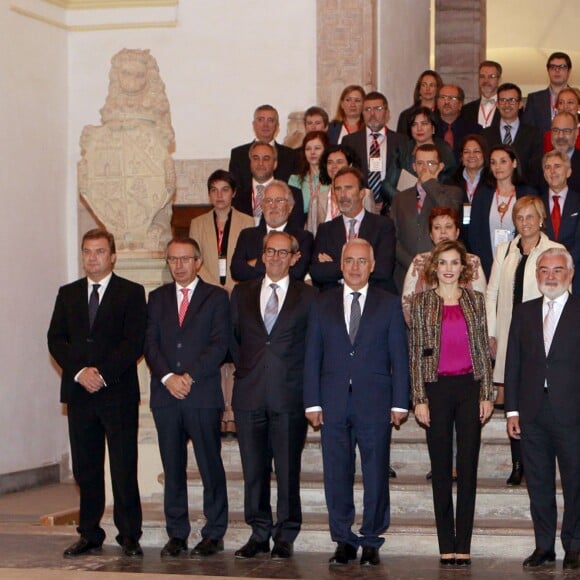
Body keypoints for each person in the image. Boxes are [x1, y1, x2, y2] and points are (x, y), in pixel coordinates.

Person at [304, 238, 409, 567]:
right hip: (332, 401)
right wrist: (312, 402)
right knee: (336, 473)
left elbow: (399, 357)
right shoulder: (322, 303)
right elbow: (312, 356)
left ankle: (372, 539)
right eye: (349, 260)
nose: (354, 267)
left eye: (362, 261)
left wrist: (400, 401)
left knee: (376, 471)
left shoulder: (388, 303)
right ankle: (343, 539)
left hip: (375, 401)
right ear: (341, 264)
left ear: (372, 265)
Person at [47, 228, 146, 558]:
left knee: (122, 466)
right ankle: (89, 533)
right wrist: (80, 373)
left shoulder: (131, 292)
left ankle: (129, 534)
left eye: (100, 251)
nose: (92, 257)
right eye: (87, 251)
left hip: (116, 392)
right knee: (85, 468)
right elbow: (56, 340)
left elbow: (133, 342)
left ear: (113, 256)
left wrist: (101, 374)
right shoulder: (68, 293)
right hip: (80, 394)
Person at [230, 231, 317, 560]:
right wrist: (250, 369)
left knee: (287, 468)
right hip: (249, 393)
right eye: (271, 251)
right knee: (253, 468)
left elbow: (313, 347)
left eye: (284, 252)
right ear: (262, 255)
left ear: (295, 258)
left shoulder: (309, 296)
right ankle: (258, 531)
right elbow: (233, 339)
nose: (276, 257)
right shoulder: (242, 292)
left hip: (289, 395)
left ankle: (285, 533)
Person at [410, 239, 494, 567]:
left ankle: (464, 544)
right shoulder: (421, 303)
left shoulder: (476, 300)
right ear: (435, 267)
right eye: (442, 263)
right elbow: (416, 354)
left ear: (463, 267)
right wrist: (419, 399)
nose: (448, 269)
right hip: (437, 388)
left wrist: (487, 393)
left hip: (470, 387)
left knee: (469, 468)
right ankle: (447, 544)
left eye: (454, 263)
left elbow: (484, 354)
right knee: (442, 468)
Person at [145, 237, 230, 558]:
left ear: (197, 261)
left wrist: (188, 376)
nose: (178, 266)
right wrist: (168, 378)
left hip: (201, 393)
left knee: (210, 465)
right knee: (173, 467)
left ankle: (214, 532)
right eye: (172, 260)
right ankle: (177, 533)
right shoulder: (156, 298)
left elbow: (220, 344)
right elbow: (149, 343)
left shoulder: (216, 298)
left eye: (184, 259)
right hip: (166, 396)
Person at [505, 247, 580, 570]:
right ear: (537, 276)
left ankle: (574, 544)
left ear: (570, 274)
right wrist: (511, 411)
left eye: (557, 270)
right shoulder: (523, 312)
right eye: (544, 270)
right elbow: (513, 364)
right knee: (538, 482)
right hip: (532, 411)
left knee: (576, 481)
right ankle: (544, 546)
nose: (550, 276)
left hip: (572, 412)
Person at [485, 196, 564, 484]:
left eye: (531, 217)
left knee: (534, 400)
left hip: (543, 336)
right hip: (510, 333)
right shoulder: (505, 250)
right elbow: (491, 293)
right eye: (520, 217)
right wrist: (491, 331)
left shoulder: (555, 251)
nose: (525, 222)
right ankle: (518, 463)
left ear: (541, 219)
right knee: (515, 398)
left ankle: (538, 462)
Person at [188, 169, 254, 437]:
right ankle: (221, 413)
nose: (219, 195)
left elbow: (250, 259)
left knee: (235, 352)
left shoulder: (248, 221)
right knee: (216, 352)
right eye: (214, 190)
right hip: (210, 296)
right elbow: (196, 259)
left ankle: (233, 413)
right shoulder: (197, 223)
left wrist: (231, 288)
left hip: (238, 293)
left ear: (234, 193)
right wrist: (216, 288)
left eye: (224, 190)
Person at [389, 144, 463, 292]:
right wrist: (413, 263)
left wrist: (430, 183)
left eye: (431, 163)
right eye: (420, 163)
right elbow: (393, 237)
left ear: (440, 166)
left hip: (440, 273)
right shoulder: (400, 198)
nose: (425, 168)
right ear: (413, 166)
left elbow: (450, 211)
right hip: (404, 273)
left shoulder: (452, 192)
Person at [310, 166, 396, 292]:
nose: (342, 195)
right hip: (335, 299)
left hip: (374, 297)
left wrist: (335, 265)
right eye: (338, 189)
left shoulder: (383, 226)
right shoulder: (326, 229)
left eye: (348, 188)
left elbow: (383, 270)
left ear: (362, 193)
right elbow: (317, 272)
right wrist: (361, 264)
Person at [402, 207, 486, 326]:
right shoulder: (419, 261)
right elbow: (408, 305)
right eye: (437, 227)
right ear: (431, 234)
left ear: (457, 232)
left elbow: (481, 304)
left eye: (448, 226)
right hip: (427, 334)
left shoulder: (472, 261)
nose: (443, 232)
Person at [468, 145, 537, 279]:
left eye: (503, 161)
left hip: (519, 262)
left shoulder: (527, 194)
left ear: (515, 163)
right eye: (493, 162)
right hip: (488, 264)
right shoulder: (483, 194)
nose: (497, 166)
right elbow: (474, 232)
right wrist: (486, 262)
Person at [231, 180, 313, 282]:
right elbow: (237, 271)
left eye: (279, 201)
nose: (273, 206)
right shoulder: (247, 235)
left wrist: (253, 263)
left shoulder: (303, 238)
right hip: (252, 296)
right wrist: (281, 264)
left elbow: (296, 273)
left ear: (290, 207)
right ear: (262, 206)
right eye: (268, 201)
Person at [342, 91, 409, 209]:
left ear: (387, 113)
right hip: (360, 206)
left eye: (378, 109)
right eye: (367, 109)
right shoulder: (349, 141)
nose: (372, 114)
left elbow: (405, 176)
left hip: (392, 207)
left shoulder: (402, 141)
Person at [384, 106, 457, 204]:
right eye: (414, 124)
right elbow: (387, 185)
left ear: (433, 128)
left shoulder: (444, 150)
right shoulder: (403, 150)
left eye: (424, 124)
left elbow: (450, 183)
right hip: (405, 205)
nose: (419, 128)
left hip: (435, 203)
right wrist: (405, 200)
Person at [306, 144, 377, 236]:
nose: (334, 166)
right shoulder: (317, 198)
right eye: (330, 162)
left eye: (339, 162)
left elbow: (372, 227)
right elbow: (310, 232)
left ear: (350, 165)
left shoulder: (365, 194)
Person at [231, 141, 304, 228]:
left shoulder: (294, 194)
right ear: (250, 163)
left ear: (275, 164)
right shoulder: (237, 196)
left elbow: (296, 230)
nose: (260, 163)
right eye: (255, 158)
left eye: (266, 158)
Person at [229, 104, 298, 194]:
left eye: (270, 120)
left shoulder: (291, 155)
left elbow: (293, 192)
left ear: (277, 126)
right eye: (261, 120)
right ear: (254, 125)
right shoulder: (238, 155)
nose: (265, 125)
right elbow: (235, 191)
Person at [482, 83, 542, 184]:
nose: (507, 105)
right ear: (497, 104)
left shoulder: (533, 134)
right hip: (493, 191)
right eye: (503, 100)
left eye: (512, 100)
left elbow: (535, 170)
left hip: (524, 192)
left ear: (520, 104)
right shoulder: (485, 135)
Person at [540, 150, 580, 295]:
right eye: (547, 167)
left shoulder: (578, 201)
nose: (552, 171)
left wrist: (562, 265)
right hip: (544, 278)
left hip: (576, 277)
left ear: (568, 172)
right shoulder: (537, 204)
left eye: (557, 166)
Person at [522, 52, 573, 136]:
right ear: (548, 70)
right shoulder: (534, 99)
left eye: (562, 67)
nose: (557, 70)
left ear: (569, 71)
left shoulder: (577, 98)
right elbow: (527, 132)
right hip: (542, 148)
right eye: (553, 67)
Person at [451, 134, 489, 246]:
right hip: (459, 240)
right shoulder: (451, 182)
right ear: (461, 157)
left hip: (485, 238)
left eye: (476, 151)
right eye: (467, 152)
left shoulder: (493, 181)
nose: (471, 155)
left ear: (484, 155)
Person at [288, 130, 330, 220]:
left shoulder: (333, 179)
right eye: (308, 149)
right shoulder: (294, 180)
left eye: (317, 148)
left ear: (326, 151)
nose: (312, 152)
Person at [434, 84, 480, 163]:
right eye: (443, 97)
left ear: (460, 104)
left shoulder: (474, 129)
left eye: (452, 98)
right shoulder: (429, 128)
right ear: (437, 102)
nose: (446, 102)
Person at [462, 61, 502, 129]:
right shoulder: (466, 110)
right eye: (482, 76)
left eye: (491, 76)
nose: (486, 80)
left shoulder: (507, 108)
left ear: (499, 80)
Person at [542, 87, 580, 152]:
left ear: (579, 106)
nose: (565, 107)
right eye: (561, 102)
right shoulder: (548, 136)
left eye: (570, 102)